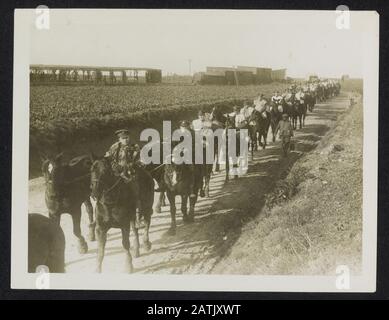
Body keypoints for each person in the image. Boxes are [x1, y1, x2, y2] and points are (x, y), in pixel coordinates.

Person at [104, 129, 144, 227]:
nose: (125, 140)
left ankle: (138, 217)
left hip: (131, 173)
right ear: (119, 139)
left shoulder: (135, 147)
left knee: (136, 191)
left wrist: (131, 165)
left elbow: (140, 160)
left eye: (127, 138)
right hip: (117, 173)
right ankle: (104, 215)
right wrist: (115, 166)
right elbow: (108, 159)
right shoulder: (114, 147)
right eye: (123, 138)